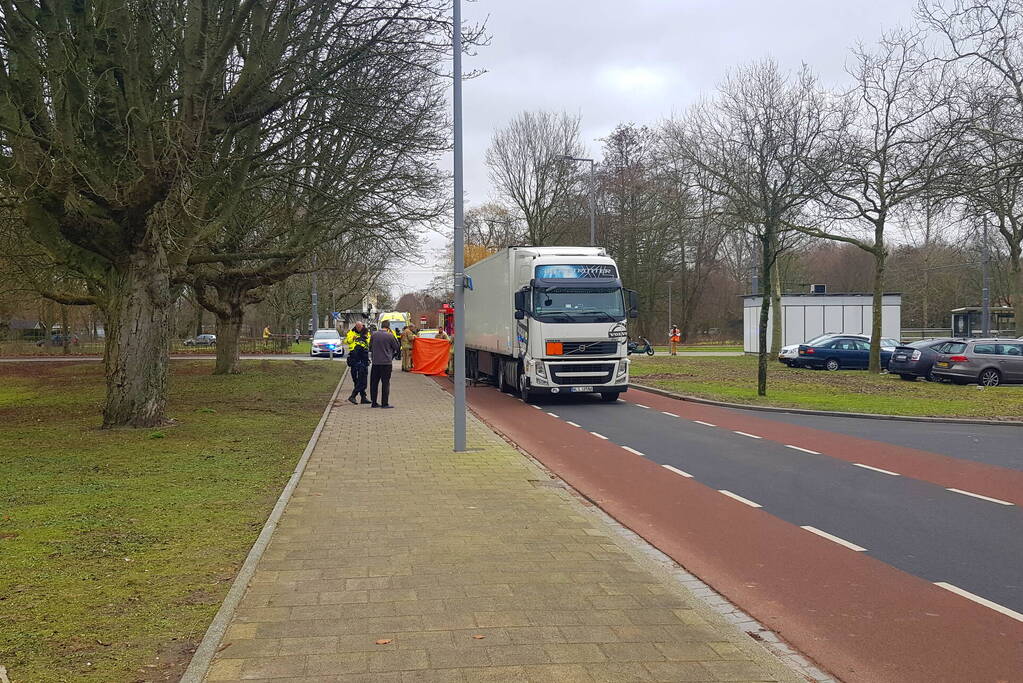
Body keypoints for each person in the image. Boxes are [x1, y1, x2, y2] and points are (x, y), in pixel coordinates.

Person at [369, 320, 400, 408]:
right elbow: (397, 347)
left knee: (374, 383)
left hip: (375, 362)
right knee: (385, 383)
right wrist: (392, 354)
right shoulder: (390, 336)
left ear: (381, 326)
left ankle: (374, 402)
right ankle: (384, 403)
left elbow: (370, 347)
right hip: (386, 363)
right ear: (388, 326)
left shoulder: (374, 335)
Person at [345, 322, 371, 405]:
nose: (359, 328)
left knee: (362, 379)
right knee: (358, 379)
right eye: (357, 326)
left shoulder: (366, 333)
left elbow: (368, 341)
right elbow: (347, 341)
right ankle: (359, 397)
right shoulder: (351, 332)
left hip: (361, 358)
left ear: (362, 326)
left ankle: (359, 396)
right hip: (355, 357)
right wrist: (353, 338)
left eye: (360, 326)